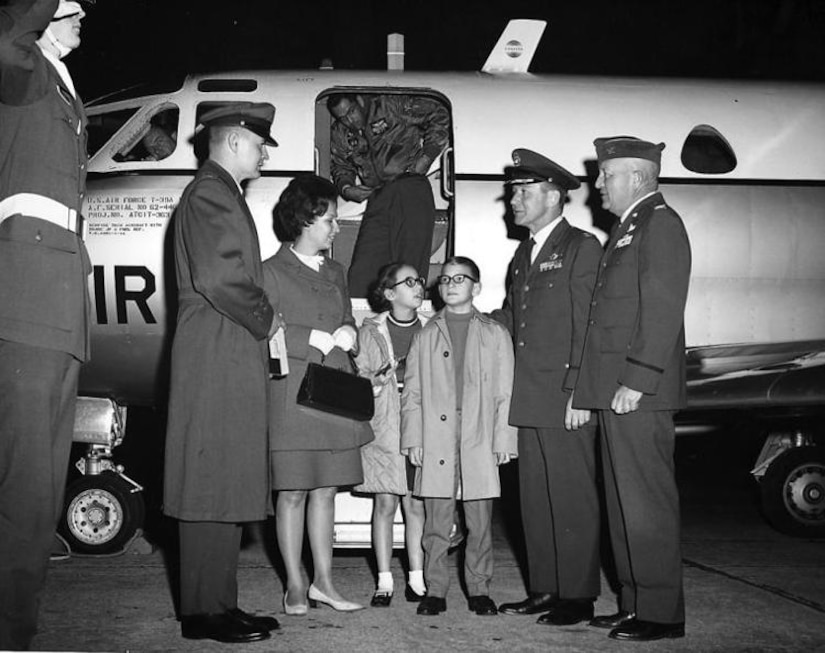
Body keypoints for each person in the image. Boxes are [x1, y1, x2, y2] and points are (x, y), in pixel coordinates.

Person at [163, 102, 282, 644]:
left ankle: (218, 603)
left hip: (225, 350)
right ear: (234, 142)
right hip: (217, 351)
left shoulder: (219, 192)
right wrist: (269, 319)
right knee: (209, 478)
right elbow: (220, 278)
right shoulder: (211, 193)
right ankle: (202, 611)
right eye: (259, 144)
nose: (262, 154)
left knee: (223, 477)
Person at [571, 136, 691, 642]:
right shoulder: (629, 227)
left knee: (646, 503)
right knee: (623, 504)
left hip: (639, 391)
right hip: (617, 389)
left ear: (637, 177)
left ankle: (662, 613)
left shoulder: (660, 225)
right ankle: (635, 602)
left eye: (606, 175)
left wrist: (637, 380)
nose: (597, 184)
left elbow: (663, 310)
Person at [0, 1, 94, 648]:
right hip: (30, 297)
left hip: (56, 301)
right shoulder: (23, 67)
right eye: (68, 2)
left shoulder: (53, 76)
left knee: (39, 484)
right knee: (26, 484)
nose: (83, 9)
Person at [490, 149, 603, 626]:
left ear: (553, 196)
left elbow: (591, 326)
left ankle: (576, 596)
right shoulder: (525, 252)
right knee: (534, 497)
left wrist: (581, 391)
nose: (513, 200)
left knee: (572, 495)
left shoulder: (582, 247)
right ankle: (544, 588)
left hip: (564, 396)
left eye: (523, 191)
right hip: (529, 395)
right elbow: (513, 319)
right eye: (514, 191)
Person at [263, 175, 373, 616]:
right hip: (291, 394)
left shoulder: (336, 271)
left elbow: (346, 318)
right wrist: (317, 338)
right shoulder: (269, 271)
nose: (335, 228)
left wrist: (351, 331)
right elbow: (265, 331)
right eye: (328, 220)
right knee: (291, 492)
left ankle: (324, 582)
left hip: (332, 393)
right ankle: (295, 582)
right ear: (305, 220)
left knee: (327, 490)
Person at [401, 256, 518, 617]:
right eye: (445, 279)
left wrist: (504, 441)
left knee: (479, 520)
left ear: (476, 288)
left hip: (479, 435)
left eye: (460, 278)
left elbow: (505, 393)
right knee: (436, 520)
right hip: (436, 435)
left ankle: (479, 588)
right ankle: (435, 590)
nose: (450, 284)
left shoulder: (495, 334)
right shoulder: (425, 334)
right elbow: (414, 393)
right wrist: (413, 438)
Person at [354, 262, 429, 607]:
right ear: (389, 293)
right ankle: (384, 580)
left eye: (419, 281)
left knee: (416, 504)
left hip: (419, 426)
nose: (418, 286)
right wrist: (382, 376)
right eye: (409, 281)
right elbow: (360, 379)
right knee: (384, 502)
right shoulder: (369, 331)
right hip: (384, 427)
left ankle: (417, 578)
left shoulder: (431, 330)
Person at [326, 93, 450, 297]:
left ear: (359, 101)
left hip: (410, 188)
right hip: (378, 195)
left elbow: (438, 114)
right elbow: (340, 165)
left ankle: (408, 322)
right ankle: (366, 321)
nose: (350, 120)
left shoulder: (390, 105)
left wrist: (427, 156)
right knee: (363, 271)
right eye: (342, 118)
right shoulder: (340, 132)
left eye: (351, 112)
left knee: (409, 269)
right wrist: (347, 188)